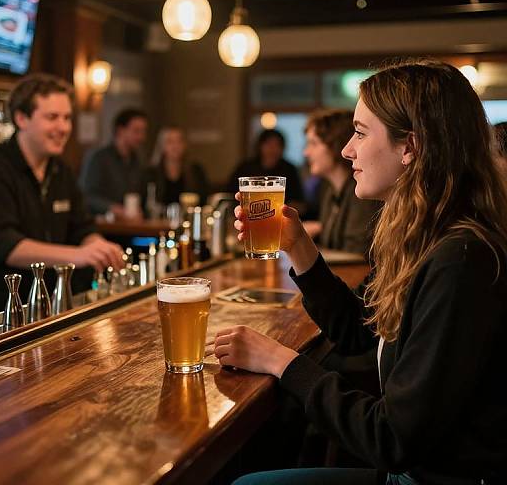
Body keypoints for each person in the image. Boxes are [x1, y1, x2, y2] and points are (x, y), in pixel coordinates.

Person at [211, 60, 507, 484]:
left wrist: (280, 361)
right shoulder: (420, 238)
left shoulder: (460, 260)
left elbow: (393, 439)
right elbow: (356, 331)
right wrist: (298, 246)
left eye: (361, 132)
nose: (347, 149)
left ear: (410, 147)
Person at [0, 73, 124, 312]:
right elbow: (6, 245)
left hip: (57, 304)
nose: (63, 127)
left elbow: (82, 227)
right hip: (9, 310)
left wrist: (98, 246)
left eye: (67, 118)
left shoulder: (60, 170)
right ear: (22, 118)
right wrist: (78, 255)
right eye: (52, 117)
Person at [303, 109, 381, 254]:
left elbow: (355, 257)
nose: (306, 152)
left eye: (313, 143)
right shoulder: (329, 189)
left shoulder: (361, 192)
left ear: (335, 145)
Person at [79, 108, 147, 219]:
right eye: (136, 131)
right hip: (103, 227)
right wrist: (114, 209)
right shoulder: (99, 157)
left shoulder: (137, 161)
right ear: (120, 130)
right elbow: (86, 196)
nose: (141, 137)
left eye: (143, 132)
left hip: (130, 228)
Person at [227, 129, 305, 211]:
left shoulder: (290, 169)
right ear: (260, 146)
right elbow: (230, 197)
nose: (273, 149)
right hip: (250, 216)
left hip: (280, 218)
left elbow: (300, 204)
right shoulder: (245, 168)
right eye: (268, 144)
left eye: (277, 145)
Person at [144, 126, 209, 212]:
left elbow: (204, 201)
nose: (175, 146)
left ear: (185, 145)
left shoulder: (195, 171)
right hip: (159, 221)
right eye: (170, 142)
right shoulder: (151, 173)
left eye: (179, 141)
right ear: (162, 146)